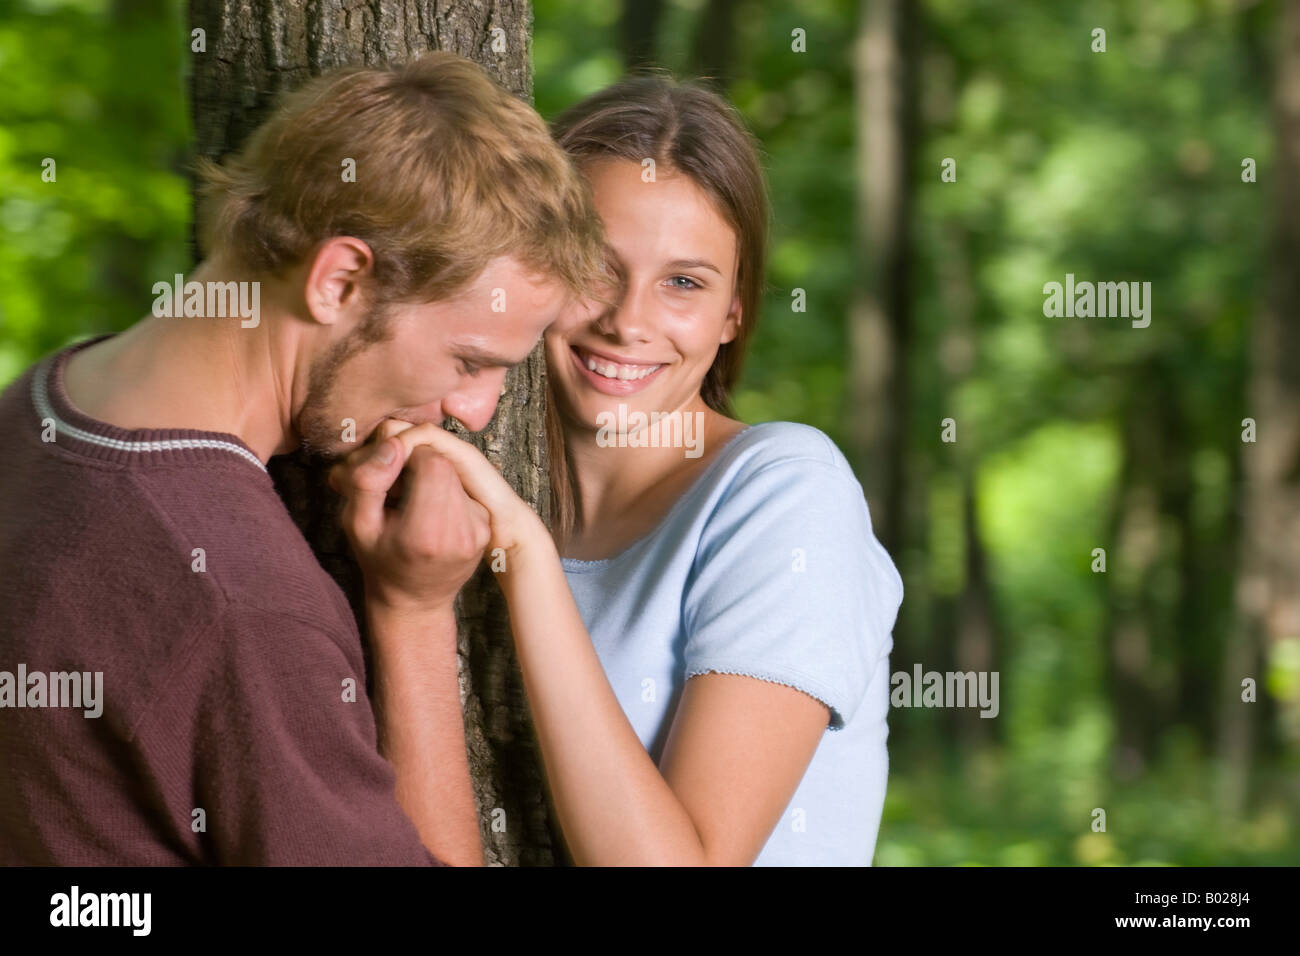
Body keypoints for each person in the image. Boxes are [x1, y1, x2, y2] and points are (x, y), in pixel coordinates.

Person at [0, 51, 606, 866]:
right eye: (469, 360)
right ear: (341, 279)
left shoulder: (37, 407)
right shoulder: (242, 602)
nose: (477, 411)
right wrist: (416, 615)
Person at [334, 76, 904, 865]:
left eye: (683, 283)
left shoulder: (784, 490)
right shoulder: (450, 497)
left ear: (734, 310)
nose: (628, 321)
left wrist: (527, 559)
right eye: (596, 267)